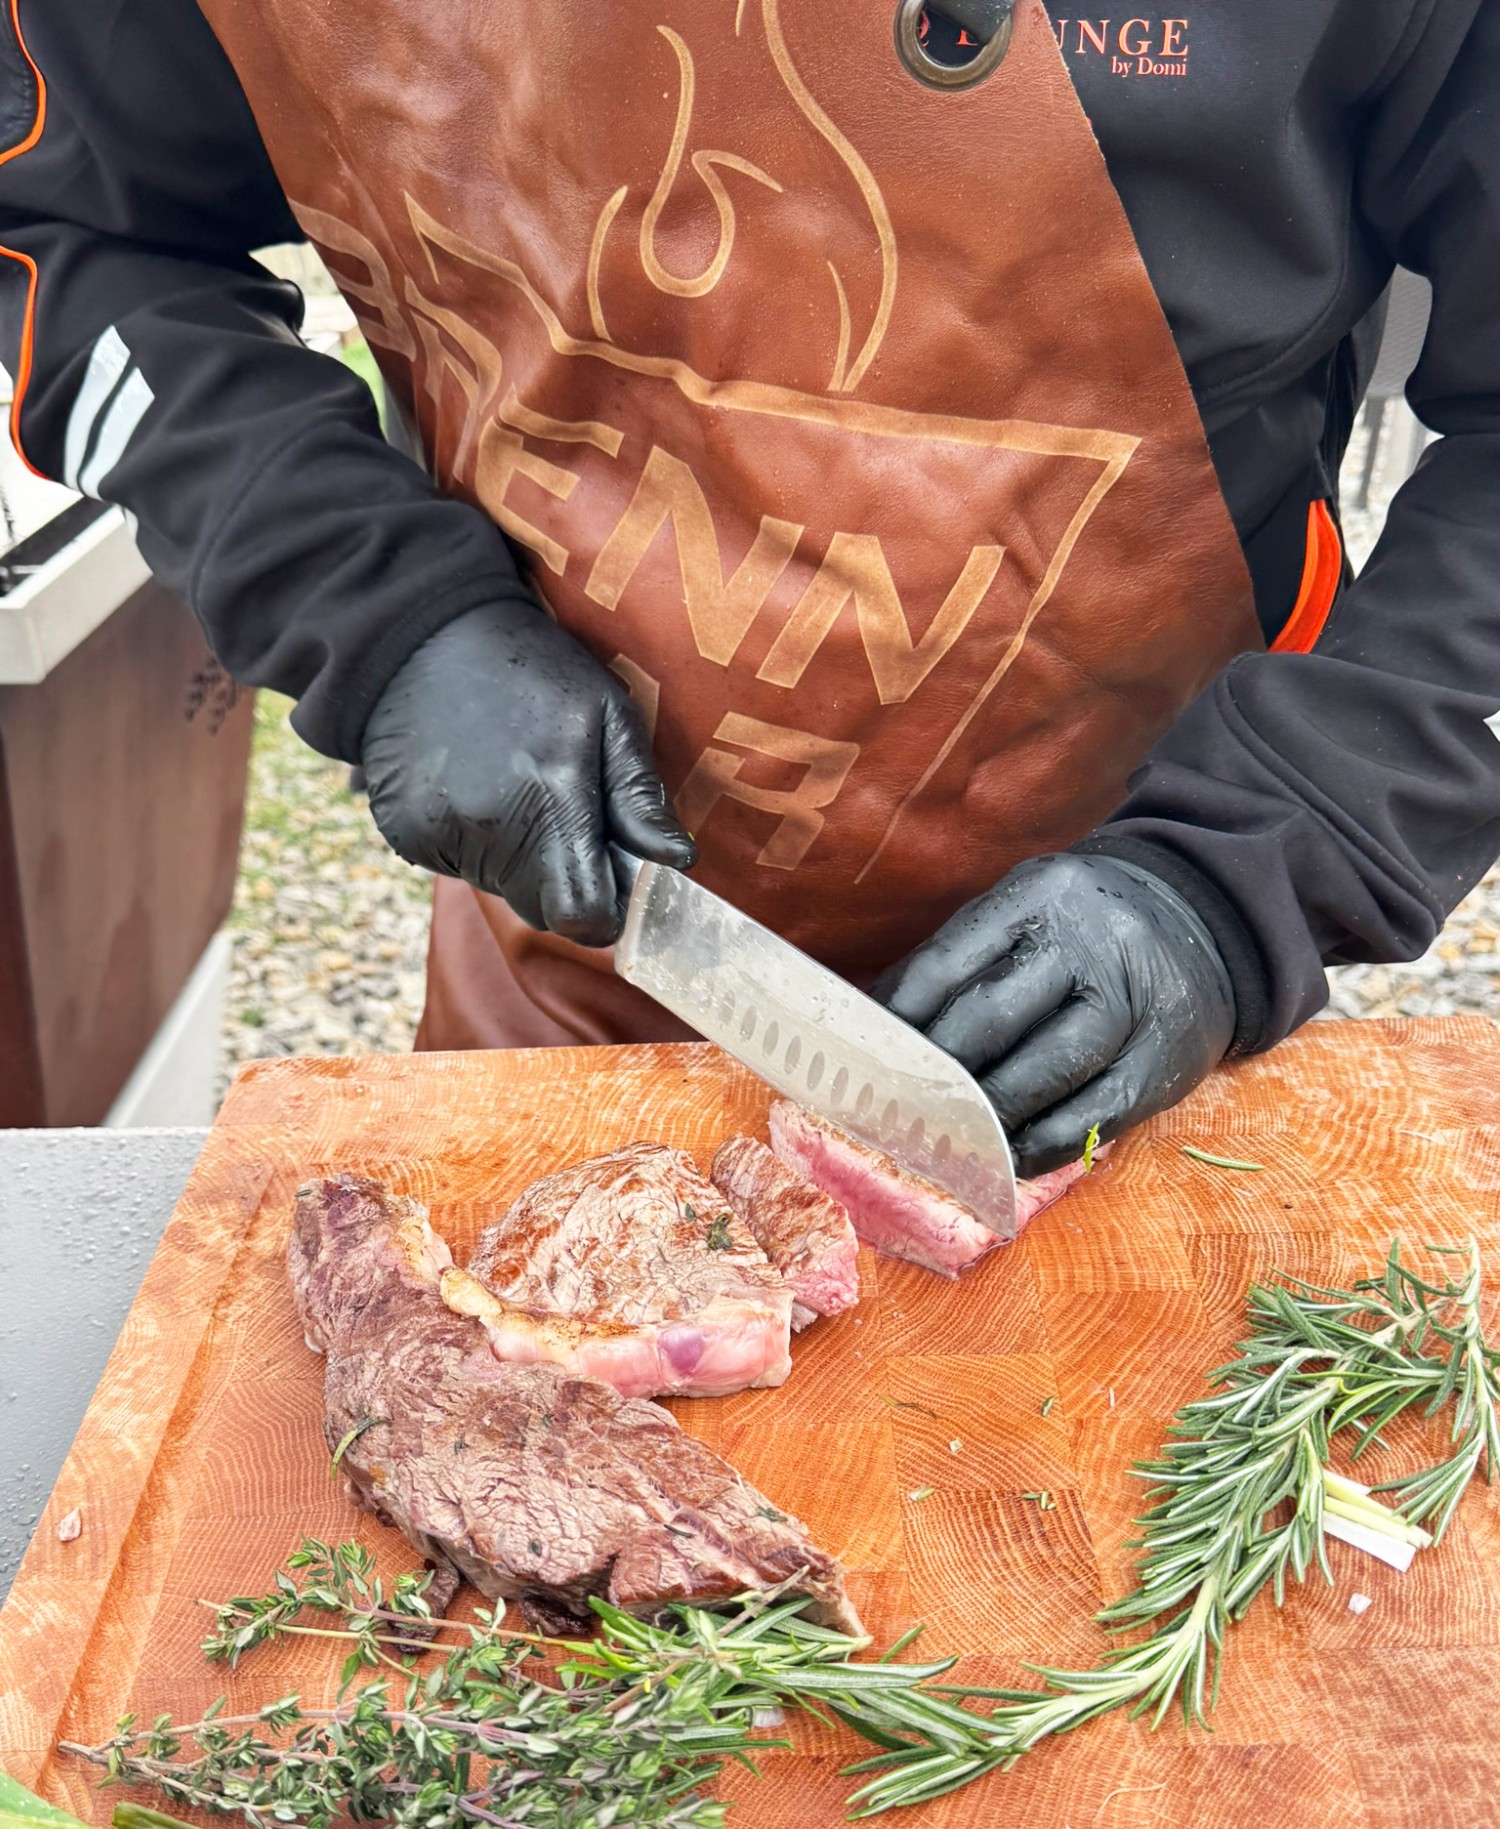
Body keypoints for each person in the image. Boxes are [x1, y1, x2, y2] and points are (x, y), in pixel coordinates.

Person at [3, 0, 1497, 1175]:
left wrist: (1257, 864)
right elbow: (68, 228)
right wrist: (377, 611)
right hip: (573, 941)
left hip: (1145, 989)